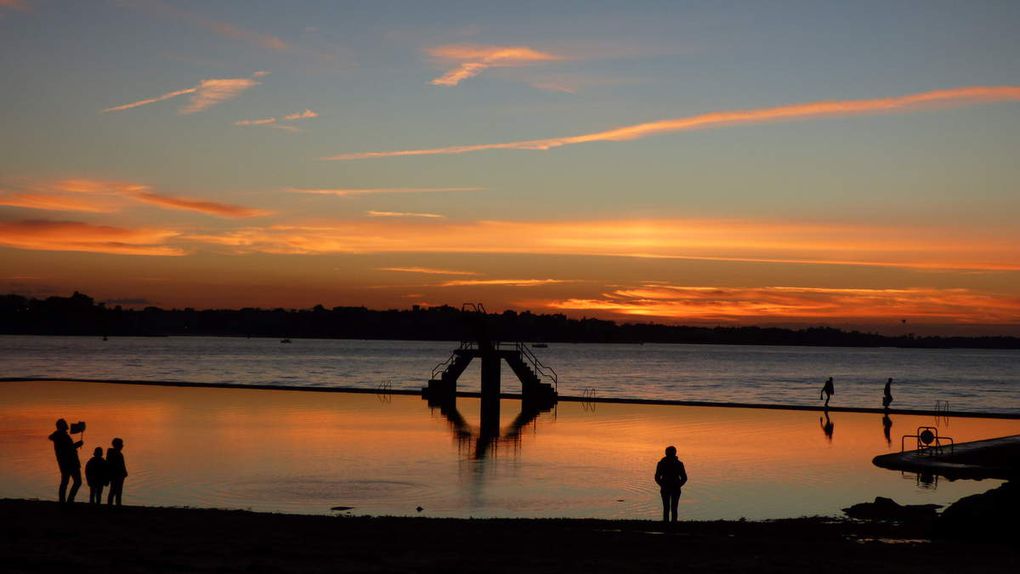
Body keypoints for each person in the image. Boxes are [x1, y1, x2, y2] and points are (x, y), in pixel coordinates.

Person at [48, 418, 83, 504]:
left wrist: (76, 445)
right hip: (70, 463)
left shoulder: (60, 436)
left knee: (65, 482)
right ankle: (69, 500)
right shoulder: (62, 436)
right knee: (77, 482)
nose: (67, 425)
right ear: (62, 426)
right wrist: (78, 444)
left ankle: (64, 501)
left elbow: (67, 448)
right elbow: (68, 449)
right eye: (65, 424)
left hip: (64, 463)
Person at [653, 445, 688, 523]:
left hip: (673, 487)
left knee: (672, 507)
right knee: (668, 507)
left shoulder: (678, 464)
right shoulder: (662, 463)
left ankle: (672, 523)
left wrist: (678, 485)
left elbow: (684, 478)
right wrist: (662, 484)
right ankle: (669, 523)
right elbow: (657, 477)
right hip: (668, 487)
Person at [106, 438, 128, 506]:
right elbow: (119, 465)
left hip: (118, 475)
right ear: (117, 445)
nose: (122, 445)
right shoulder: (116, 454)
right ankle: (116, 504)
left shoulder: (114, 453)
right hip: (117, 475)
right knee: (115, 491)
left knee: (115, 491)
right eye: (121, 444)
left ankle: (114, 504)